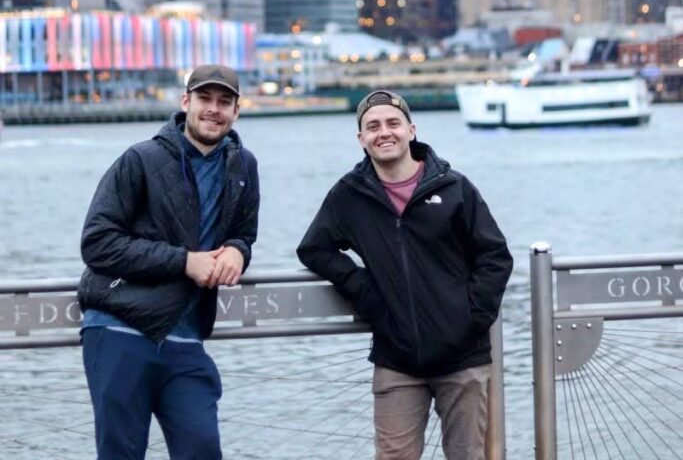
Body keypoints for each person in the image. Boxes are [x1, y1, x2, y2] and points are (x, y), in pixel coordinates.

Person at [297, 89, 512, 460]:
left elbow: (495, 256)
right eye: (373, 126)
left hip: (462, 358)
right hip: (396, 360)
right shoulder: (351, 195)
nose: (385, 132)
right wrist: (364, 291)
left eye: (393, 123)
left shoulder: (453, 187)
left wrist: (472, 317)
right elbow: (314, 249)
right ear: (361, 138)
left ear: (411, 130)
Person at [78, 64, 259, 460]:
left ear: (236, 110)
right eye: (204, 99)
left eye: (224, 102)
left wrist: (238, 251)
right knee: (121, 454)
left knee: (202, 449)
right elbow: (97, 243)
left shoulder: (244, 166)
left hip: (186, 339)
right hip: (119, 329)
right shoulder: (139, 159)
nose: (214, 109)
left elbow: (243, 232)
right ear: (185, 103)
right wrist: (183, 262)